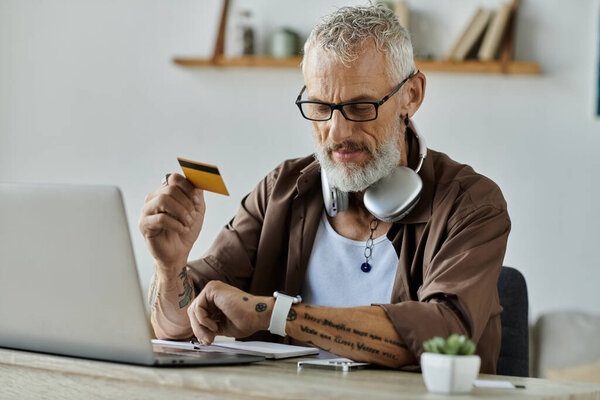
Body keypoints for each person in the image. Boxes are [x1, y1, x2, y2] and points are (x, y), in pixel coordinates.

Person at [139, 5, 510, 373]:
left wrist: (275, 314)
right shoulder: (281, 190)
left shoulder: (472, 204)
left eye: (360, 107)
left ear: (410, 95)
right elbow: (176, 327)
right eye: (319, 106)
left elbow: (443, 336)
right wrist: (170, 267)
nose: (337, 133)